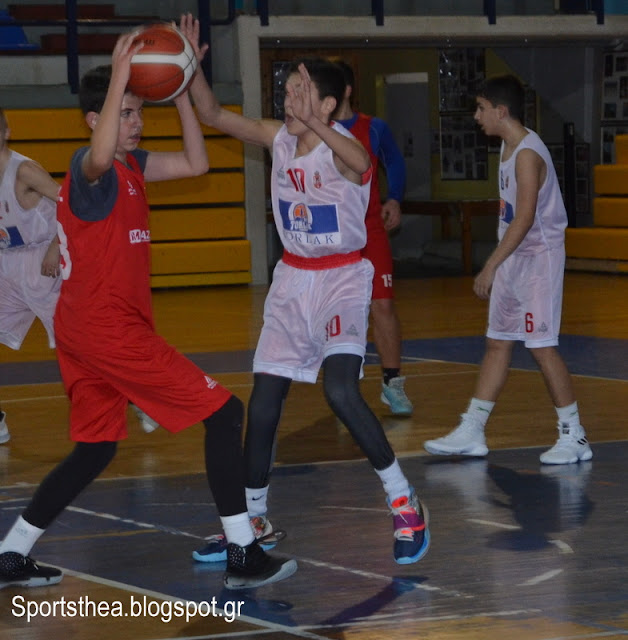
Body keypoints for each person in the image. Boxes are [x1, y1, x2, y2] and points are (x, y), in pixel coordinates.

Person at [0, 31, 296, 591]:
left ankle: (11, 553)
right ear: (96, 119)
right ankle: (242, 549)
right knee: (224, 413)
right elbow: (100, 154)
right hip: (107, 328)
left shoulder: (133, 166)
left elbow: (197, 163)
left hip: (84, 328)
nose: (137, 122)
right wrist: (119, 76)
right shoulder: (88, 169)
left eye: (140, 112)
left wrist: (180, 89)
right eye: (127, 113)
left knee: (95, 449)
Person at [179, 14, 429, 566]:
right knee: (264, 401)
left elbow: (361, 165)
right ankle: (255, 519)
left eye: (300, 89)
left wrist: (317, 124)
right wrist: (190, 67)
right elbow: (213, 114)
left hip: (342, 279)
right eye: (287, 87)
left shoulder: (341, 145)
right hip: (293, 280)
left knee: (340, 391)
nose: (287, 96)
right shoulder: (277, 137)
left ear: (328, 104)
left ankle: (403, 499)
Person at [424, 74, 592, 466]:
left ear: (501, 111)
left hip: (538, 260)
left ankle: (575, 435)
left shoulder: (528, 155)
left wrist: (490, 266)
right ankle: (472, 429)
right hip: (515, 256)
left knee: (541, 346)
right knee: (498, 342)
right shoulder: (507, 145)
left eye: (481, 108)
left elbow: (525, 218)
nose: (476, 115)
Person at [332, 60, 413, 416]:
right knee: (339, 312)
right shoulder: (314, 130)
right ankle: (342, 387)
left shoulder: (373, 127)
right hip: (334, 236)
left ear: (346, 90)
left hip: (370, 230)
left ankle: (392, 383)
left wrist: (394, 197)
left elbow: (394, 162)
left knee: (383, 306)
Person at [0, 107, 62, 446]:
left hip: (44, 262)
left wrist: (56, 246)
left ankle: (138, 397)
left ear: (6, 132)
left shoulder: (24, 171)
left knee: (81, 344)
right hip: (7, 264)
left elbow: (73, 205)